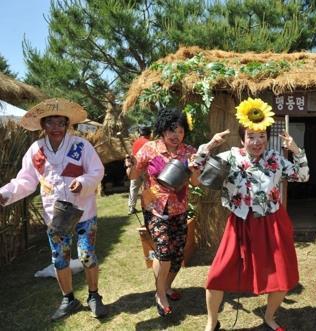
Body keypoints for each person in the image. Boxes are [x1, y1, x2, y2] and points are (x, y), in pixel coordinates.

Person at [194, 97, 309, 331]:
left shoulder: (275, 159)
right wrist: (209, 146)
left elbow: (303, 176)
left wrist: (295, 149)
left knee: (281, 277)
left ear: (268, 137)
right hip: (239, 224)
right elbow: (198, 170)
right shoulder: (230, 157)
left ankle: (269, 317)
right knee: (217, 276)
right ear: (243, 137)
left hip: (271, 224)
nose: (256, 142)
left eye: (261, 136)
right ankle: (211, 322)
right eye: (251, 136)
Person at [0, 98, 107, 320]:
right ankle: (69, 299)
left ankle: (94, 296)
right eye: (50, 123)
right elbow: (26, 180)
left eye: (61, 123)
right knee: (60, 258)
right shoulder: (35, 151)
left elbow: (97, 170)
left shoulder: (81, 146)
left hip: (84, 211)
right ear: (43, 125)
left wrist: (84, 182)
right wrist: (5, 194)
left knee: (87, 255)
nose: (56, 128)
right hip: (55, 216)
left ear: (67, 125)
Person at [125, 106, 199, 316]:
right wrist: (130, 165)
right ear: (162, 129)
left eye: (180, 131)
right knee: (164, 251)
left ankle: (166, 286)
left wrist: (194, 170)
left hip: (179, 208)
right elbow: (133, 175)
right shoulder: (149, 149)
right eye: (171, 130)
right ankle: (160, 295)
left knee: (177, 255)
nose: (176, 135)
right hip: (154, 208)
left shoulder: (189, 152)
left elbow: (195, 183)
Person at [128, 125, 151, 215]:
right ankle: (148, 206)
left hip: (135, 168)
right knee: (148, 187)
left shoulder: (135, 143)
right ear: (148, 134)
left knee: (133, 188)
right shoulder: (149, 143)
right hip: (145, 169)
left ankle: (131, 207)